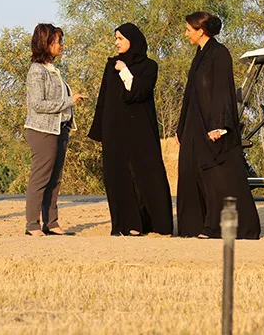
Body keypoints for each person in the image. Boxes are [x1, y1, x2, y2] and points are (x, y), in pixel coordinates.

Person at [176, 12, 261, 239]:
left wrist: (220, 125)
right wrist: (181, 127)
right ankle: (193, 226)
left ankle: (219, 227)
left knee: (217, 177)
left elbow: (223, 91)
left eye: (188, 30)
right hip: (194, 125)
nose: (185, 34)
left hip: (212, 126)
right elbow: (190, 94)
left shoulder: (219, 53)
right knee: (190, 172)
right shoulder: (199, 55)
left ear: (201, 30)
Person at [88, 23, 174, 236]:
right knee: (118, 176)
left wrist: (125, 71)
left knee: (145, 174)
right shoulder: (111, 65)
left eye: (120, 38)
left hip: (141, 130)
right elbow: (104, 99)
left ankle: (154, 223)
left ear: (132, 40)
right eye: (115, 38)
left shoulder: (149, 66)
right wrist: (100, 130)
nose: (116, 43)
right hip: (114, 131)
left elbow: (139, 92)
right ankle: (128, 224)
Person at [23, 23, 87, 237]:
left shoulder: (53, 70)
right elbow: (37, 104)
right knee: (40, 177)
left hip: (60, 129)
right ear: (47, 43)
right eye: (58, 41)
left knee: (55, 179)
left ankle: (51, 223)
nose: (62, 45)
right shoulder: (36, 71)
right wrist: (70, 101)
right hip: (42, 131)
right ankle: (32, 224)